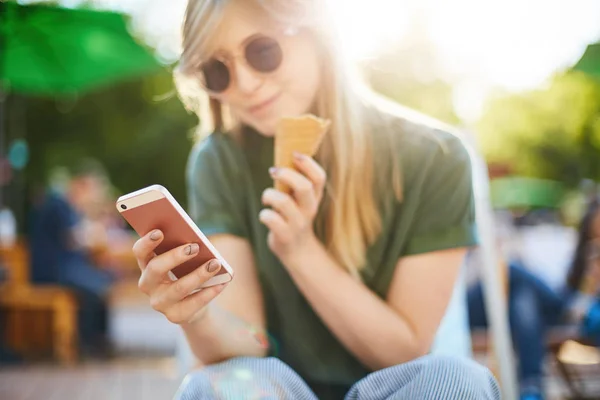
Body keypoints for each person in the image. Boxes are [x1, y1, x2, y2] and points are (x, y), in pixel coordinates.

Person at [132, 1, 500, 398]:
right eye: (217, 70)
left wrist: (300, 250)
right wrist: (198, 313)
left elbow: (404, 350)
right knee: (214, 386)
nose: (245, 84)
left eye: (262, 52)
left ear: (318, 32)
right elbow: (248, 344)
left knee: (461, 380)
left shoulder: (435, 157)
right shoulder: (220, 159)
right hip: (277, 388)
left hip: (393, 386)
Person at [468, 201, 600, 400]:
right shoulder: (587, 259)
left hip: (581, 319)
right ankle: (531, 389)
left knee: (512, 271)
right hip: (563, 312)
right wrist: (589, 283)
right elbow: (568, 288)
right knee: (522, 298)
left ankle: (532, 388)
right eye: (593, 234)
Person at [29, 160, 115, 356]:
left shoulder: (68, 207)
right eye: (91, 189)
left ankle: (98, 341)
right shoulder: (58, 204)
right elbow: (72, 238)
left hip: (66, 267)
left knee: (104, 282)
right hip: (53, 269)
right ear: (80, 185)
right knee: (96, 288)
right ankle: (87, 344)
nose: (93, 196)